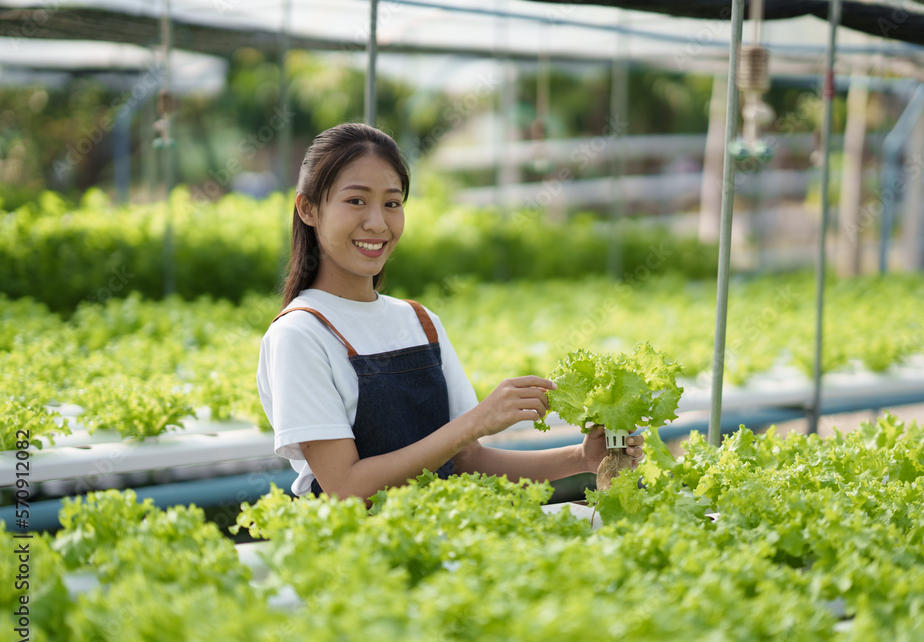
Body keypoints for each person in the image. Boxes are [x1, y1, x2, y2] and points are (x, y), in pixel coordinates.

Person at [256, 123, 644, 502]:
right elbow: (345, 487)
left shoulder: (420, 322)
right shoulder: (300, 334)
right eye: (356, 200)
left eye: (392, 203)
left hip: (438, 545)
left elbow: (465, 460)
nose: (377, 223)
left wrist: (582, 459)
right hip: (358, 557)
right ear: (307, 209)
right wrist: (474, 422)